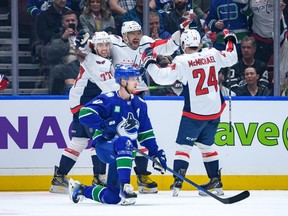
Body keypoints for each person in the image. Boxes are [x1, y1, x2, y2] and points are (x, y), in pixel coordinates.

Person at [142, 28, 238, 196]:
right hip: (215, 111)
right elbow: (231, 56)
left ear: (184, 44)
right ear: (199, 43)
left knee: (183, 147)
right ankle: (216, 182)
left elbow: (161, 77)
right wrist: (230, 38)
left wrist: (149, 62)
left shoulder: (182, 60)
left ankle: (178, 182)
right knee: (207, 145)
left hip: (195, 113)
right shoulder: (213, 53)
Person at [68, 64, 167, 205]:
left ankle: (81, 190)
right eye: (133, 79)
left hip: (124, 154)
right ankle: (125, 187)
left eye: (136, 78)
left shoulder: (140, 104)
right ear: (122, 81)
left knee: (112, 198)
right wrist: (103, 125)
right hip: (105, 147)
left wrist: (155, 153)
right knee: (124, 141)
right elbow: (84, 113)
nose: (136, 82)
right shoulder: (108, 99)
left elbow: (146, 133)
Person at [49, 31, 118, 193]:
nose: (105, 48)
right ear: (95, 46)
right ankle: (99, 177)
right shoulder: (96, 61)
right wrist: (128, 90)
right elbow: (110, 88)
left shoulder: (99, 59)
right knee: (100, 139)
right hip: (86, 107)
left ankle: (59, 178)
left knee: (79, 142)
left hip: (83, 105)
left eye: (107, 44)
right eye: (101, 45)